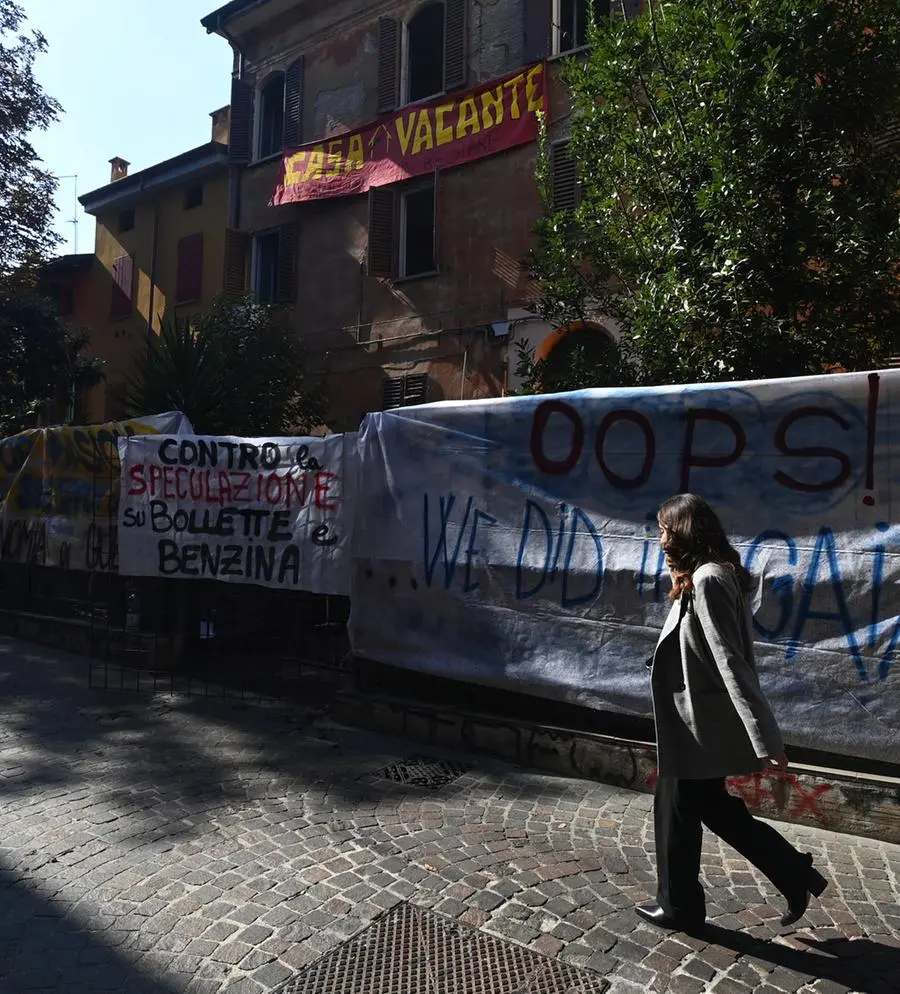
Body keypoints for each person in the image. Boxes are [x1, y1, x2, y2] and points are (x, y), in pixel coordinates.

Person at [637, 493, 828, 932]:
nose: (660, 537)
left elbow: (731, 662)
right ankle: (792, 872)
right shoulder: (708, 574)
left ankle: (680, 906)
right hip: (697, 721)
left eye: (667, 528)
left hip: (699, 725)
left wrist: (766, 739)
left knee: (676, 811)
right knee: (709, 809)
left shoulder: (708, 579)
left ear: (686, 531)